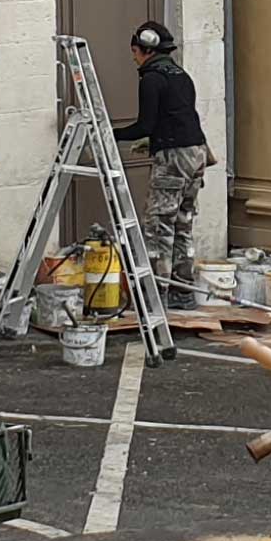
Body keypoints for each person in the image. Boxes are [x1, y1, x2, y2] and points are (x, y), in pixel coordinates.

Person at [112, 19, 210, 324]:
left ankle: (156, 298)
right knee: (183, 223)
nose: (133, 59)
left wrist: (112, 133)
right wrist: (152, 141)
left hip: (174, 157)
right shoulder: (181, 75)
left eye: (134, 52)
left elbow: (146, 124)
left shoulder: (152, 79)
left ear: (145, 49)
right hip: (196, 153)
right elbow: (177, 118)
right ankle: (184, 293)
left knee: (158, 226)